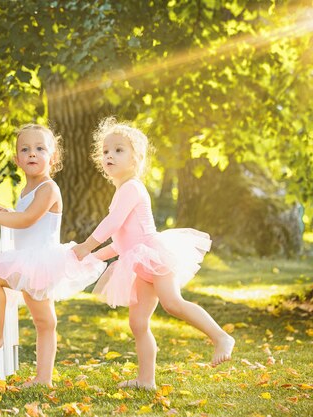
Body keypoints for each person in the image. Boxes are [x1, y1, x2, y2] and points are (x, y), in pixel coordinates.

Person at [72, 117, 235, 390]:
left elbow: (111, 225)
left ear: (135, 159)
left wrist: (87, 245)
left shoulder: (133, 188)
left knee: (173, 303)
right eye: (106, 151)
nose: (110, 155)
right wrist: (92, 257)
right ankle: (146, 380)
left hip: (155, 257)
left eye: (118, 150)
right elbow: (120, 243)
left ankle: (221, 337)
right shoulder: (120, 191)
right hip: (138, 264)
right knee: (138, 323)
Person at [0, 124, 105, 387]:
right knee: (45, 322)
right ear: (17, 159)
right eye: (25, 149)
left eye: (40, 149)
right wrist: (8, 212)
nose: (32, 154)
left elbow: (28, 220)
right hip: (35, 262)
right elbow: (26, 217)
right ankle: (43, 379)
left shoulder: (48, 188)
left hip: (40, 263)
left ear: (53, 157)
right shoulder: (27, 191)